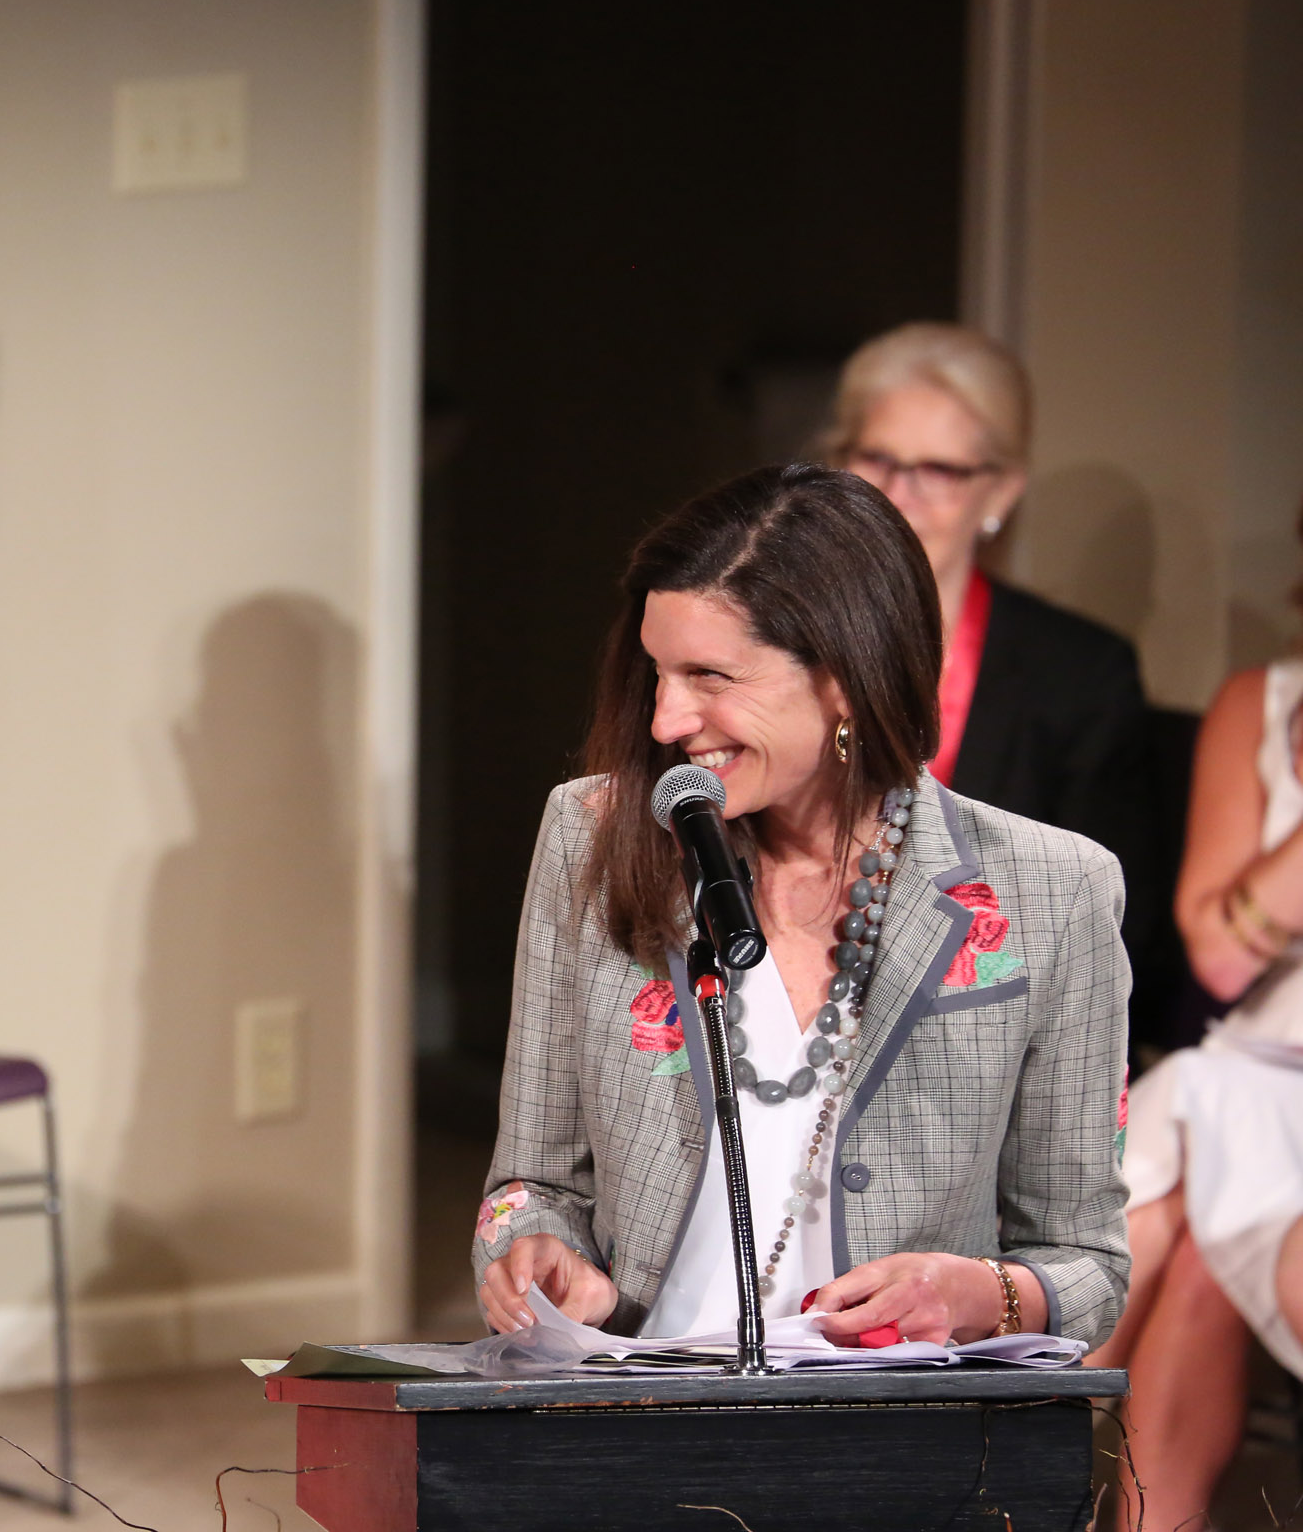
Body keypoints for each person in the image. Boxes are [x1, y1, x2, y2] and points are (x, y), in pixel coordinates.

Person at [474, 462, 1130, 1353]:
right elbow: (528, 1180)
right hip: (637, 1402)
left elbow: (1089, 1261)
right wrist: (533, 1251)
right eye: (658, 672)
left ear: (846, 679)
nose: (667, 718)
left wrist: (978, 1294)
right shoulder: (591, 836)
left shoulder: (1054, 890)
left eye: (711, 676)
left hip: (899, 1431)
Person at [824, 325, 1160, 1021]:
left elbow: (1112, 929)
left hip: (993, 1039)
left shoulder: (1079, 673)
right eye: (878, 458)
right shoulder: (772, 645)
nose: (899, 494)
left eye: (939, 471)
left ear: (1000, 492)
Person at [1091, 496, 1303, 1530]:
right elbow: (1217, 954)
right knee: (1167, 1221)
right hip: (1253, 1064)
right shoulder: (1262, 704)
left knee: (1192, 1224)